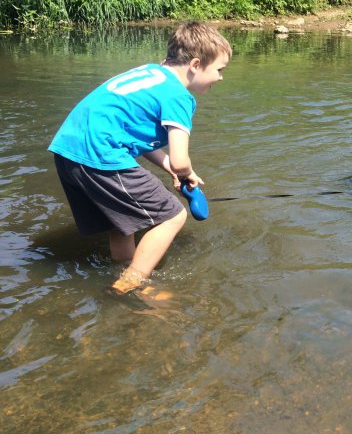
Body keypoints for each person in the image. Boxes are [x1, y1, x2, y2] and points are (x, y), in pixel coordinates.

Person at [48, 21, 232, 296]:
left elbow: (133, 133)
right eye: (218, 69)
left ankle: (123, 268)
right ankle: (130, 283)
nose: (220, 78)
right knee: (173, 216)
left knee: (120, 221)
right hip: (101, 153)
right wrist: (184, 172)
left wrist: (168, 167)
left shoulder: (151, 74)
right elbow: (182, 161)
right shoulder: (179, 96)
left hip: (68, 149)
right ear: (195, 64)